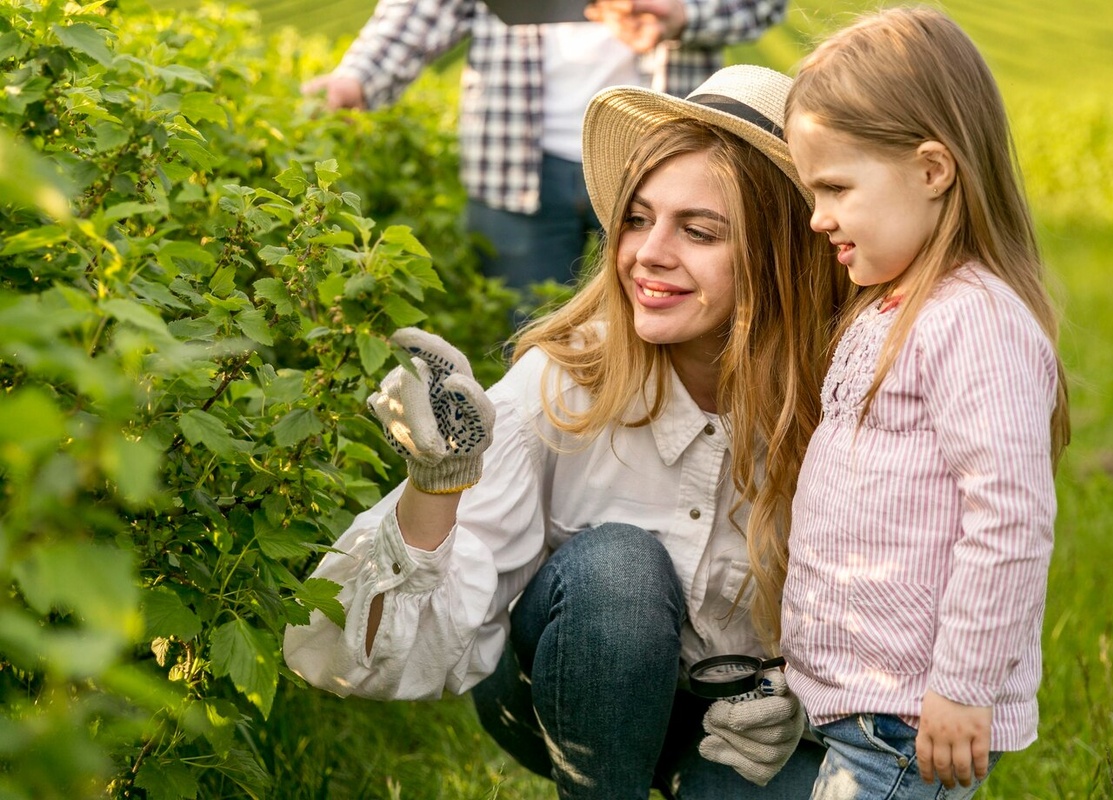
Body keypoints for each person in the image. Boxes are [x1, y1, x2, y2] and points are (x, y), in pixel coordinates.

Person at [283, 64, 851, 797]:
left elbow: (921, 631)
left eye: (699, 231)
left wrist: (798, 704)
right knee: (618, 566)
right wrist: (436, 488)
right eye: (639, 219)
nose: (647, 252)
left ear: (783, 254)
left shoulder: (850, 401)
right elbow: (340, 656)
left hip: (736, 732)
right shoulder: (569, 383)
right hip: (559, 694)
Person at [777, 7, 1072, 800]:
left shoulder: (971, 318)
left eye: (836, 186)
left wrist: (965, 686)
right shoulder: (889, 307)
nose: (818, 216)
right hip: (869, 708)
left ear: (933, 169)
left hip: (912, 714)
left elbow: (1009, 515)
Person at [302, 0, 787, 295]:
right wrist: (357, 80)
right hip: (514, 163)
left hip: (657, 164)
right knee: (524, 337)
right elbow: (421, 12)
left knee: (663, 337)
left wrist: (684, 12)